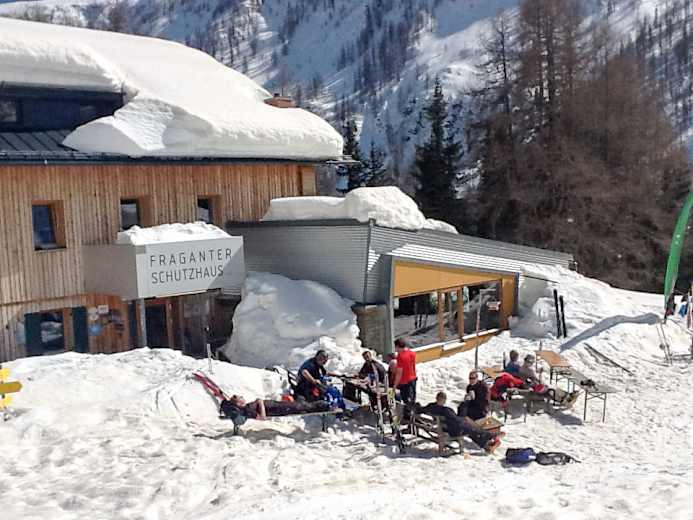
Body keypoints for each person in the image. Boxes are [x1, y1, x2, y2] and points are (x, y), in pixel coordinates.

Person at [417, 392, 502, 453]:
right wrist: (464, 419)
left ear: (436, 398)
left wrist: (416, 406)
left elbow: (422, 409)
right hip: (452, 430)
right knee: (470, 428)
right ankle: (489, 436)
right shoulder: (445, 410)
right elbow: (456, 420)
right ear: (444, 400)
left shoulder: (431, 406)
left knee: (471, 429)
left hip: (445, 427)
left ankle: (485, 444)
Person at [220, 395, 331, 421]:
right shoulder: (247, 410)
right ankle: (325, 405)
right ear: (239, 404)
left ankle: (322, 404)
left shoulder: (247, 407)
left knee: (301, 405)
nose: (242, 397)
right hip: (278, 409)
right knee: (302, 406)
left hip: (277, 405)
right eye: (240, 398)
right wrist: (260, 403)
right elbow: (262, 418)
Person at [393, 338, 417, 407]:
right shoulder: (412, 353)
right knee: (412, 399)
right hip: (413, 379)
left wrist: (395, 385)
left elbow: (399, 373)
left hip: (404, 382)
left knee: (405, 401)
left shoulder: (400, 356)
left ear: (397, 346)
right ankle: (412, 411)